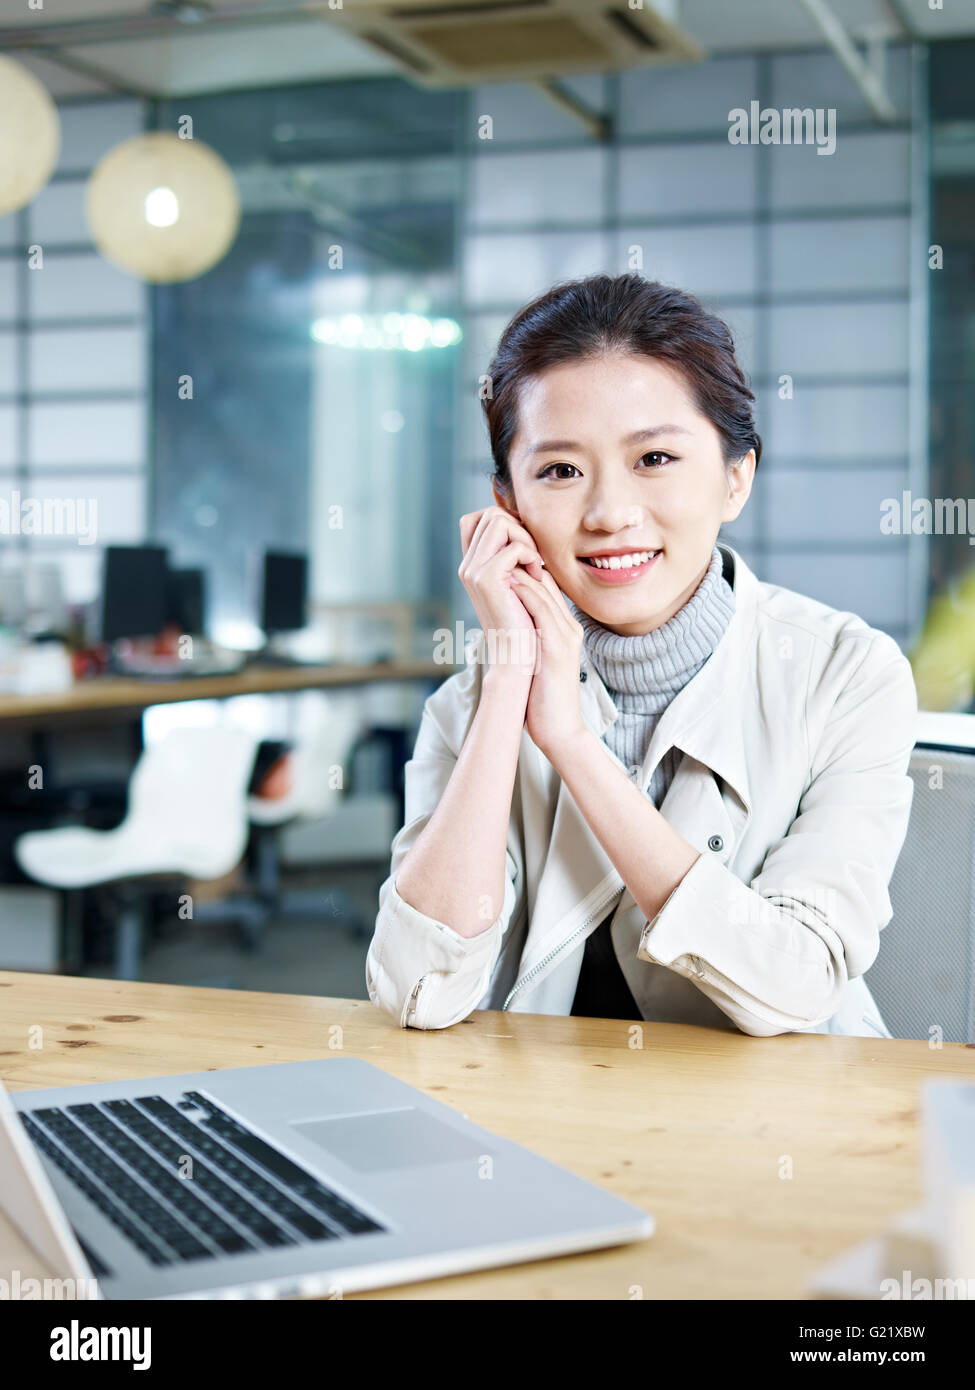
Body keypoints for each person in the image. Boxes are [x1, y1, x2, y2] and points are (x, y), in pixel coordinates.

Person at [366, 273, 917, 1037]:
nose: (609, 514)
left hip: (789, 1128)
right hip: (543, 1130)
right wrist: (506, 686)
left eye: (653, 458)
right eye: (559, 471)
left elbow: (794, 986)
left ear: (735, 477)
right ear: (507, 507)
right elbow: (417, 992)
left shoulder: (845, 674)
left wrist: (571, 743)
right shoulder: (467, 705)